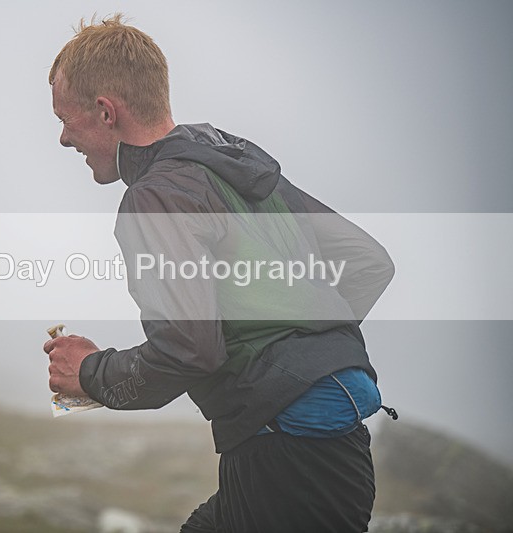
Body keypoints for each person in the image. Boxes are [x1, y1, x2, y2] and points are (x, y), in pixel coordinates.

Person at [43, 14, 395, 532]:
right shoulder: (233, 168)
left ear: (105, 111)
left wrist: (90, 374)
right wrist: (303, 353)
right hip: (332, 443)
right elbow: (367, 263)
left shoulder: (156, 197)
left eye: (64, 118)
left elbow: (191, 348)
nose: (62, 138)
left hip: (286, 451)